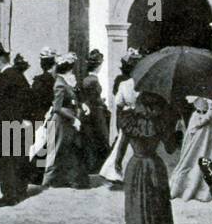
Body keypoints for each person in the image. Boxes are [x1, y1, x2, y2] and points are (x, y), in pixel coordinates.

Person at [120, 92, 179, 224]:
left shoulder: (129, 121)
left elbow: (122, 143)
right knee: (157, 210)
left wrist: (116, 162)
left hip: (135, 165)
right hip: (154, 166)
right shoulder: (160, 123)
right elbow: (170, 148)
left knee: (136, 209)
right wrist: (176, 133)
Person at [0, 42, 31, 205]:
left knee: (5, 161)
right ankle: (20, 191)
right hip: (19, 125)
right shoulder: (19, 75)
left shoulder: (3, 78)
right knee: (18, 158)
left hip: (4, 126)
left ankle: (9, 196)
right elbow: (29, 99)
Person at [42, 53, 90, 188]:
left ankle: (70, 180)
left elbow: (73, 99)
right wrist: (73, 119)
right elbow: (57, 108)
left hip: (67, 121)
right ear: (68, 70)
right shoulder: (60, 84)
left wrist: (82, 104)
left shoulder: (66, 82)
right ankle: (49, 181)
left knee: (70, 149)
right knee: (57, 149)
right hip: (61, 122)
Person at [169, 96, 212, 202]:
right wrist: (210, 108)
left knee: (206, 155)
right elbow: (202, 119)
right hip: (199, 127)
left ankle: (202, 189)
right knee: (191, 157)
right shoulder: (197, 102)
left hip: (208, 131)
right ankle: (183, 188)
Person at [100, 48, 142, 184]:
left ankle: (118, 171)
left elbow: (118, 102)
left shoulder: (124, 84)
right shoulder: (145, 84)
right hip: (141, 117)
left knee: (123, 143)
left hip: (128, 116)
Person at [79, 49, 111, 173]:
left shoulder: (88, 79)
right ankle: (99, 167)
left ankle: (95, 166)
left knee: (93, 138)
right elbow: (93, 99)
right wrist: (100, 102)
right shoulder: (92, 80)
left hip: (93, 110)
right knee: (101, 137)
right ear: (98, 65)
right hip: (96, 112)